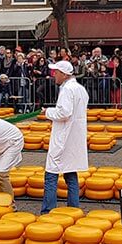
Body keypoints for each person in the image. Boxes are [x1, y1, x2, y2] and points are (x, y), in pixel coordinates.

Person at [42, 60, 88, 214]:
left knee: (51, 173)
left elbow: (64, 113)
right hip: (75, 136)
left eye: (56, 72)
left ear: (64, 74)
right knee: (70, 171)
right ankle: (74, 209)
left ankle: (48, 210)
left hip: (63, 136)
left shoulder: (67, 90)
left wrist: (47, 112)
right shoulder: (80, 89)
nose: (54, 75)